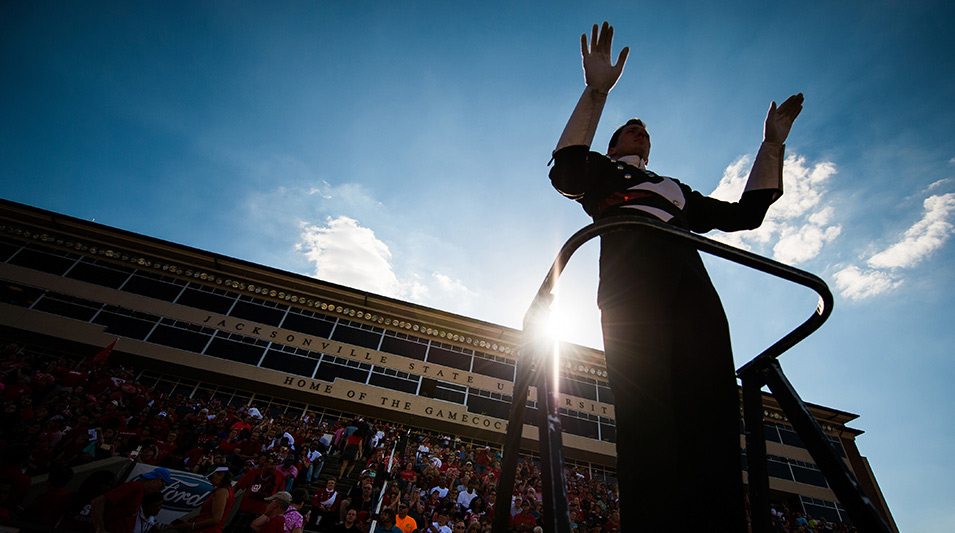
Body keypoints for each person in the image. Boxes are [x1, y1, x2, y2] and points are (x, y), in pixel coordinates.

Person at [549, 21, 803, 531]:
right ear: (615, 143)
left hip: (688, 274)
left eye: (644, 130)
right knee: (646, 406)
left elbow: (746, 214)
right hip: (630, 274)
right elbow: (565, 169)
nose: (640, 131)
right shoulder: (601, 172)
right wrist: (596, 92)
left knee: (709, 400)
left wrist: (771, 147)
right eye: (630, 128)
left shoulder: (675, 187)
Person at [89, 467, 171, 533]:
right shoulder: (135, 487)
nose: (158, 490)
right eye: (161, 486)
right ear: (156, 480)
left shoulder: (141, 492)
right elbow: (97, 503)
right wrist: (100, 529)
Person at [168, 467, 234, 533]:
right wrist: (193, 521)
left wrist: (191, 526)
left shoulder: (222, 492)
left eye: (211, 477)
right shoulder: (223, 491)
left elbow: (216, 519)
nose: (209, 480)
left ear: (221, 474)